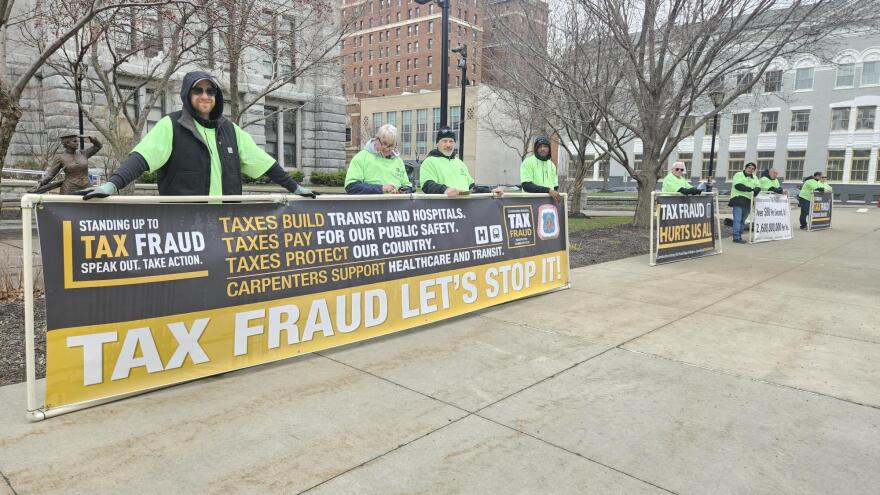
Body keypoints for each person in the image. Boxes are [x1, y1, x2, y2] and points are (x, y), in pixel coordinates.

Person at [77, 71, 314, 199]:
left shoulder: (231, 130)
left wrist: (296, 188)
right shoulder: (170, 125)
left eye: (210, 91)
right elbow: (140, 159)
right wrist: (111, 186)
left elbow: (266, 164)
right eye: (198, 90)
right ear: (187, 95)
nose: (205, 95)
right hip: (184, 228)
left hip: (227, 224)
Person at [419, 127, 503, 197]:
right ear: (437, 143)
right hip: (443, 210)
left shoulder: (460, 163)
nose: (448, 145)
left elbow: (472, 188)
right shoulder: (429, 162)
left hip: (464, 209)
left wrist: (490, 191)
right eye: (444, 141)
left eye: (451, 141)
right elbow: (427, 185)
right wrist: (445, 190)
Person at [344, 123, 412, 194]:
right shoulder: (361, 157)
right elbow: (351, 186)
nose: (388, 149)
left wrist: (404, 190)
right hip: (371, 204)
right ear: (377, 139)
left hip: (396, 204)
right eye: (385, 144)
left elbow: (407, 185)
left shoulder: (398, 161)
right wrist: (381, 188)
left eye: (391, 145)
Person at [30, 134, 102, 194]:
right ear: (67, 143)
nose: (77, 143)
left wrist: (93, 139)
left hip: (86, 186)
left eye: (77, 141)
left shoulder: (83, 154)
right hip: (69, 188)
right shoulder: (60, 158)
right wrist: (41, 183)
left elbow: (98, 146)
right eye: (74, 141)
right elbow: (50, 174)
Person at [520, 136, 561, 203]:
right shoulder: (527, 162)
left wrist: (554, 193)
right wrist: (548, 190)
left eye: (545, 146)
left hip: (548, 204)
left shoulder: (552, 165)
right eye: (539, 146)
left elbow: (555, 186)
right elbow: (526, 186)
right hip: (531, 203)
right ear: (536, 149)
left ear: (549, 149)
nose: (542, 148)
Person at [728, 162, 760, 244]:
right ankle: (736, 237)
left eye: (753, 169)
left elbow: (758, 187)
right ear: (745, 168)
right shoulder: (738, 174)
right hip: (738, 199)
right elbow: (738, 186)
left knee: (743, 220)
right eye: (749, 167)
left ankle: (739, 235)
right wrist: (750, 189)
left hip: (748, 200)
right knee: (738, 219)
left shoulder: (755, 177)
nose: (751, 170)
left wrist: (755, 190)